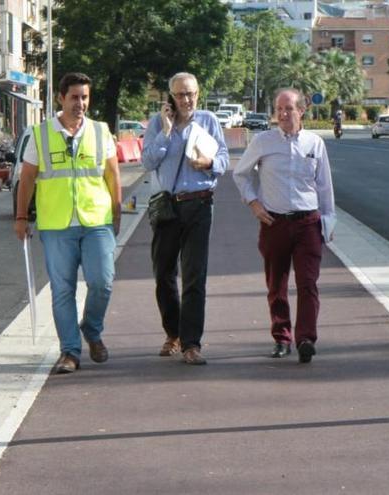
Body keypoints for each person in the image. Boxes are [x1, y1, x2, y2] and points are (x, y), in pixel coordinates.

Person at [14, 72, 122, 374]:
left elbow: (112, 175)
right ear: (61, 98)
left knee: (103, 282)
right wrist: (21, 217)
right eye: (74, 97)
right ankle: (70, 351)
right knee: (63, 290)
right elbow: (27, 180)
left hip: (96, 220)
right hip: (56, 224)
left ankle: (92, 329)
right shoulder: (40, 134)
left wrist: (116, 212)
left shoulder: (101, 132)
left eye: (85, 97)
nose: (80, 103)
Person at [232, 88, 336, 364]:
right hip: (275, 222)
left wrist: (329, 220)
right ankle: (281, 338)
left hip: (308, 222)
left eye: (288, 108)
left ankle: (305, 339)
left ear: (301, 111)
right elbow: (240, 174)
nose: (283, 114)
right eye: (279, 109)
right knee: (276, 284)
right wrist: (254, 204)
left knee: (308, 283)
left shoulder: (314, 143)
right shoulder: (263, 142)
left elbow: (324, 185)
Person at [141, 72, 229, 365]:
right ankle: (173, 333)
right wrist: (166, 132)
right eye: (180, 95)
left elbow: (224, 159)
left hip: (200, 205)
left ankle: (191, 343)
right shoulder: (157, 123)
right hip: (167, 207)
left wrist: (209, 163)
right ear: (170, 96)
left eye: (190, 93)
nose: (186, 100)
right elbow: (148, 162)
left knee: (194, 276)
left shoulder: (209, 121)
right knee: (163, 273)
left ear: (198, 93)